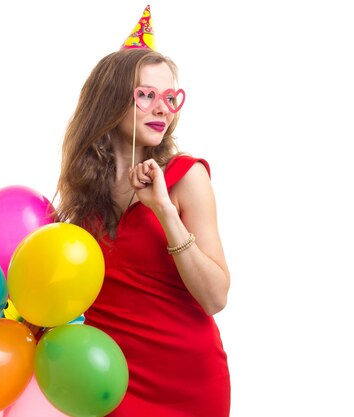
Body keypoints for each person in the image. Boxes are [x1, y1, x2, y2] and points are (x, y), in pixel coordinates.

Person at [54, 6, 231, 416]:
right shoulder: (81, 198)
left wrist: (164, 210)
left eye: (170, 98)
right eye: (146, 95)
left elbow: (215, 297)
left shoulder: (187, 177)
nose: (163, 109)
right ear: (110, 101)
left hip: (187, 382)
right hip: (104, 384)